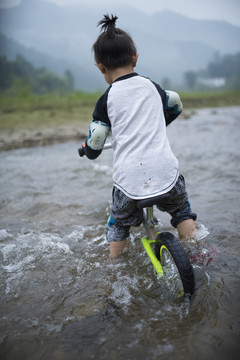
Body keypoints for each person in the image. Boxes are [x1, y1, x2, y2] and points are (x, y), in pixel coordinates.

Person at [78, 14, 197, 258]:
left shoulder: (107, 98)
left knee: (119, 224)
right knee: (182, 211)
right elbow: (174, 102)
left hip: (129, 182)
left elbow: (98, 136)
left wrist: (90, 151)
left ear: (100, 67)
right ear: (135, 58)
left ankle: (114, 268)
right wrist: (159, 122)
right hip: (167, 174)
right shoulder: (151, 86)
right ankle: (201, 252)